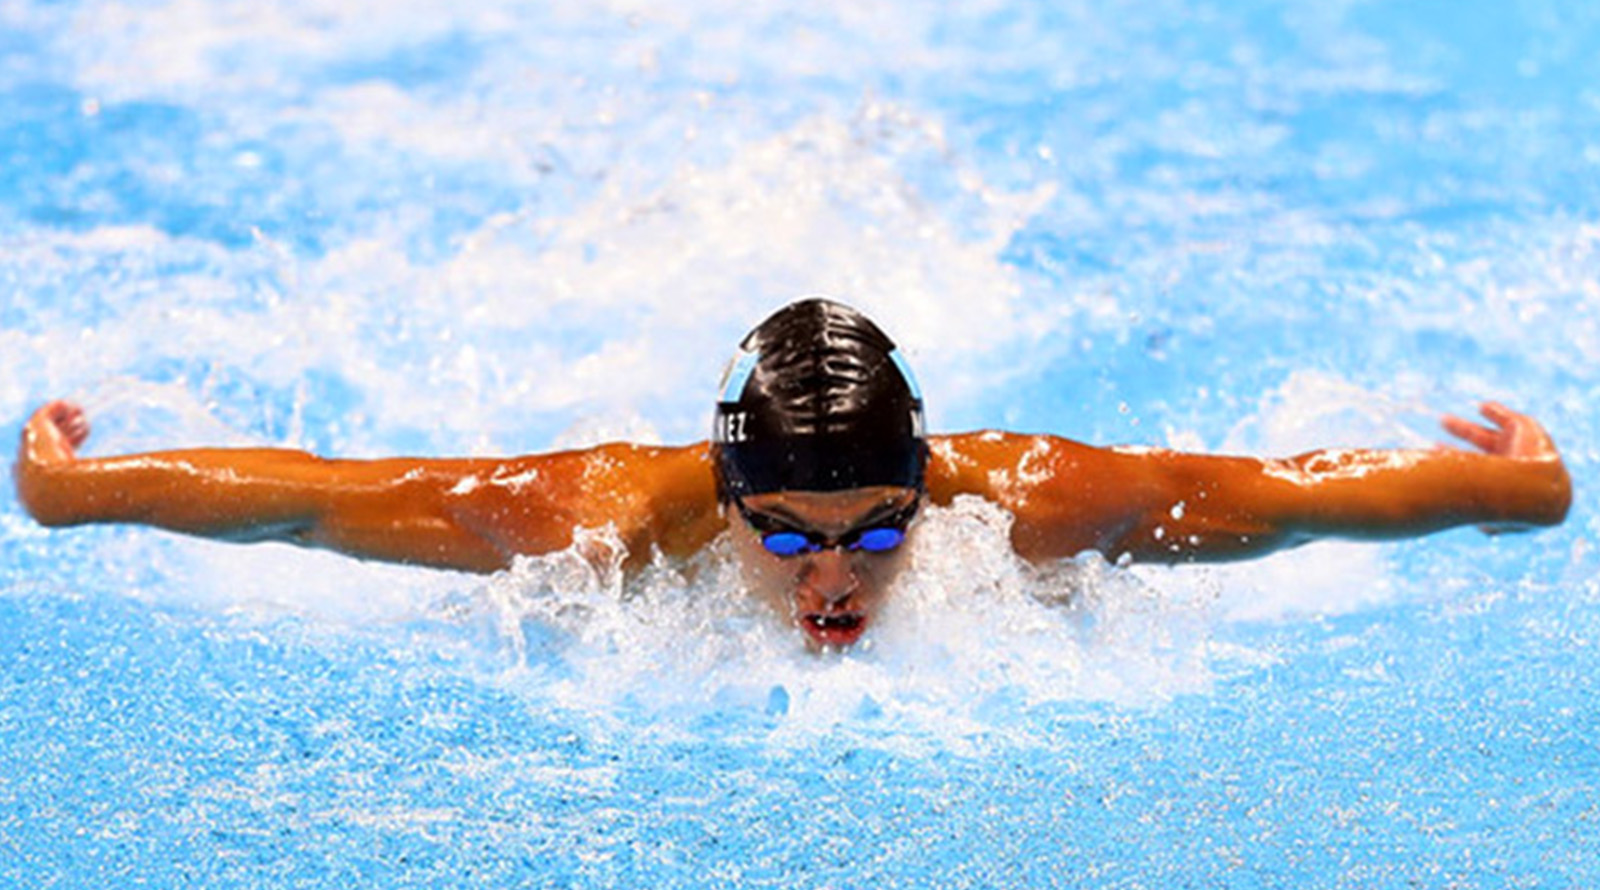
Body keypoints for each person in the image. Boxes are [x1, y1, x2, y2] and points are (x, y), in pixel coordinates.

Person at [14, 298, 1573, 648]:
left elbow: (1298, 493)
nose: (832, 579)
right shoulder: (608, 517)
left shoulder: (1033, 498)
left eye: (881, 528)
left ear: (931, 486)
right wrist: (76, 492)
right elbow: (322, 492)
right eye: (791, 538)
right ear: (728, 492)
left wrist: (1521, 489)